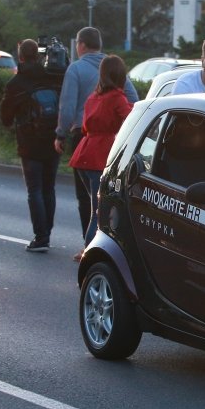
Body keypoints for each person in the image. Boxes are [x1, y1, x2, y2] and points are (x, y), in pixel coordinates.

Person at [54, 27, 139, 259]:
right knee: (101, 207)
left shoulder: (87, 86)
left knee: (87, 202)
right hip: (104, 151)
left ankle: (89, 243)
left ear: (80, 45)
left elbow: (69, 107)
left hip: (83, 147)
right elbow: (135, 104)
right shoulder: (117, 94)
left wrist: (61, 133)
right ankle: (92, 250)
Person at [0, 38, 64, 253]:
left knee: (34, 189)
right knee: (49, 188)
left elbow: (5, 117)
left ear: (20, 57)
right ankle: (47, 231)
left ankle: (41, 237)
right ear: (38, 55)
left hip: (29, 143)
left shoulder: (16, 83)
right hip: (54, 140)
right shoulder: (54, 77)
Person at [68, 55, 134, 259]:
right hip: (100, 156)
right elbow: (131, 119)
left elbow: (86, 126)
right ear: (121, 75)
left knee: (94, 207)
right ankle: (88, 252)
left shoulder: (93, 97)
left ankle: (89, 248)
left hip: (83, 154)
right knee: (100, 212)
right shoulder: (117, 98)